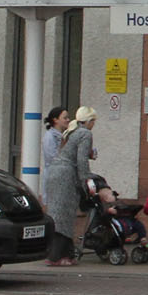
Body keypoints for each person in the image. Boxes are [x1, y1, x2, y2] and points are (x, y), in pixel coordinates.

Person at [60, 107, 98, 259]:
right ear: (89, 121)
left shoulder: (71, 132)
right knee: (72, 214)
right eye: (94, 121)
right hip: (69, 176)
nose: (94, 124)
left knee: (64, 214)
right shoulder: (85, 133)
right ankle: (66, 251)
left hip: (61, 175)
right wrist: (86, 180)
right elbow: (81, 160)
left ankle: (65, 250)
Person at [40, 108, 73, 266]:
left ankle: (67, 253)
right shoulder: (50, 137)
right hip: (55, 178)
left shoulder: (65, 135)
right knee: (57, 216)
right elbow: (52, 158)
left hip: (65, 179)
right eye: (64, 118)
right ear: (55, 120)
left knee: (65, 216)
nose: (67, 120)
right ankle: (54, 254)